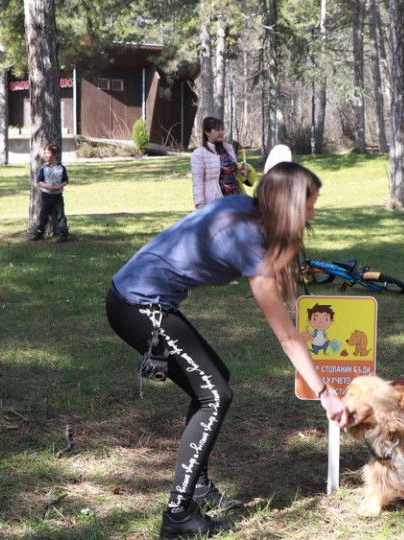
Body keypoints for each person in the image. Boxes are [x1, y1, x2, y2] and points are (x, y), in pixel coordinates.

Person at [106, 161, 349, 539]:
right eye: (309, 205)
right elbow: (286, 334)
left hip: (141, 300)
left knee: (215, 384)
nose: (313, 214)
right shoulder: (247, 239)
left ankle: (197, 487)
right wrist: (325, 393)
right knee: (215, 396)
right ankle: (178, 515)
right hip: (137, 306)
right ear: (286, 207)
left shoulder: (245, 208)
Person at [191, 117, 248, 209]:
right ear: (207, 132)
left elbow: (233, 174)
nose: (221, 132)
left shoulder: (228, 148)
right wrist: (200, 204)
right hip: (216, 202)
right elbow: (197, 181)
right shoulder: (199, 153)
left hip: (236, 199)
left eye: (222, 129)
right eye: (217, 130)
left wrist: (242, 172)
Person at [29, 143, 69, 242]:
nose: (46, 155)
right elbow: (39, 181)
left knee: (60, 215)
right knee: (44, 215)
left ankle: (63, 234)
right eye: (45, 153)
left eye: (48, 153)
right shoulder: (44, 168)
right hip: (46, 195)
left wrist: (59, 186)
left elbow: (65, 180)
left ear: (55, 155)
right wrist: (47, 186)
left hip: (58, 196)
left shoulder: (61, 168)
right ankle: (39, 233)